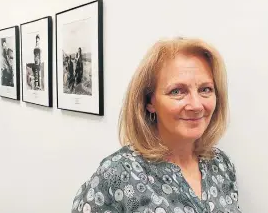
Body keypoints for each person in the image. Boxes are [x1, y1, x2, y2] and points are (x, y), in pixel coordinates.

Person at [71, 37, 242, 213]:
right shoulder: (117, 175)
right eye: (177, 91)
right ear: (149, 101)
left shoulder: (220, 164)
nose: (196, 105)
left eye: (205, 89)